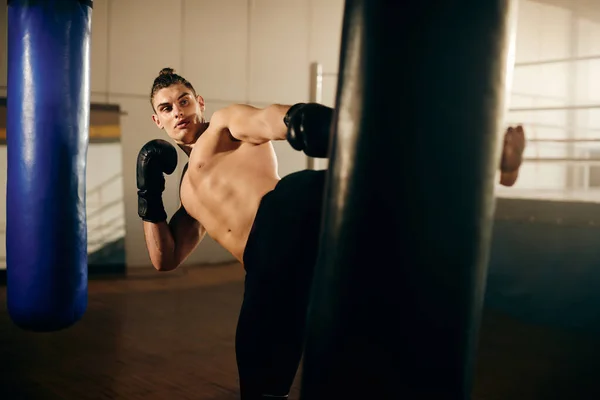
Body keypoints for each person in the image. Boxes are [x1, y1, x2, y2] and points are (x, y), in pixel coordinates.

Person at [137, 67, 526, 399]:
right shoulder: (186, 194)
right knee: (259, 378)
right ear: (157, 121)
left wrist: (306, 123)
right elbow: (164, 259)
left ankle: (486, 157)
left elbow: (271, 119)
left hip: (284, 214)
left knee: (356, 181)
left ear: (199, 102)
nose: (178, 112)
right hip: (267, 275)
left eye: (184, 100)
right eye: (166, 108)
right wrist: (148, 196)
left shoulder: (223, 125)